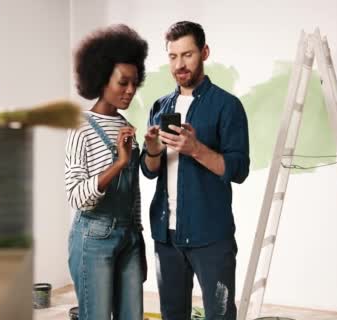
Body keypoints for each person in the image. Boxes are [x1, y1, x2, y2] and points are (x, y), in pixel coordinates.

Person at [140, 21, 250, 320]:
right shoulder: (160, 106)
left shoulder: (228, 106)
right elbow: (150, 171)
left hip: (211, 236)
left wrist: (195, 149)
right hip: (167, 235)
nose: (180, 64)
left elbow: (239, 169)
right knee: (172, 314)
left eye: (187, 55)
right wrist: (152, 148)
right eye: (173, 56)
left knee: (220, 315)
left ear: (204, 52)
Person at [65, 24, 148, 320]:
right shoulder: (81, 127)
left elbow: (133, 193)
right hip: (93, 238)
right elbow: (76, 197)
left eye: (134, 83)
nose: (129, 91)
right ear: (101, 79)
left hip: (129, 237)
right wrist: (119, 164)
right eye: (122, 82)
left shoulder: (126, 125)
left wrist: (139, 239)